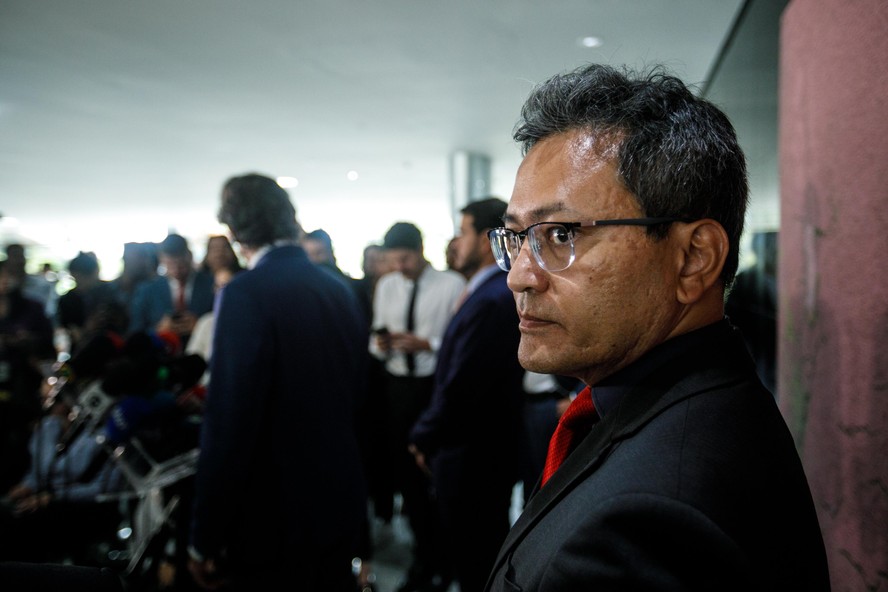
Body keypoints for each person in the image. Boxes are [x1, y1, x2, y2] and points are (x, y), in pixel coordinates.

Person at [483, 64, 830, 591]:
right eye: (516, 237)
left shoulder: (648, 520)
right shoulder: (684, 401)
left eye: (560, 234)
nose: (520, 277)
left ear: (694, 258)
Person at [188, 173, 369, 591]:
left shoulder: (244, 293)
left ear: (235, 229)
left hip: (271, 511)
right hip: (336, 495)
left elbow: (230, 421)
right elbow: (358, 399)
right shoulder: (337, 288)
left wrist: (205, 535)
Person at [408, 197, 525, 592]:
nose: (456, 242)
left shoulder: (491, 297)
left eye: (463, 232)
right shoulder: (483, 291)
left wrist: (425, 435)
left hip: (474, 450)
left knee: (476, 553)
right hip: (475, 446)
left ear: (487, 238)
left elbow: (463, 383)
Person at [369, 221, 465, 592]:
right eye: (394, 260)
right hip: (396, 386)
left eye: (405, 258)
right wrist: (382, 344)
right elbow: (375, 336)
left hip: (434, 385)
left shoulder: (451, 285)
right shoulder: (387, 285)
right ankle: (423, 556)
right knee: (407, 477)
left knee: (439, 476)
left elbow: (460, 342)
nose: (400, 267)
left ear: (421, 250)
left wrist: (427, 345)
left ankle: (450, 558)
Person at [128, 233, 215, 347]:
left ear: (189, 256)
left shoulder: (212, 285)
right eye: (170, 264)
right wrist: (158, 331)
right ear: (161, 259)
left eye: (181, 264)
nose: (177, 270)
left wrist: (201, 326)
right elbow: (135, 333)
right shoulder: (147, 291)